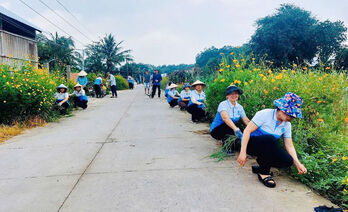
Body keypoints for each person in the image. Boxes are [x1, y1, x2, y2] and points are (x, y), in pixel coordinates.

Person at [237, 92, 307, 188]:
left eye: (292, 117)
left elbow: (289, 145)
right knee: (269, 139)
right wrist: (243, 152)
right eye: (289, 115)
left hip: (266, 149)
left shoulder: (287, 125)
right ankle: (264, 173)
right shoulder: (264, 114)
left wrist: (298, 164)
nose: (290, 118)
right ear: (281, 109)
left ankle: (262, 165)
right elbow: (247, 131)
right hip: (251, 144)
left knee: (288, 160)